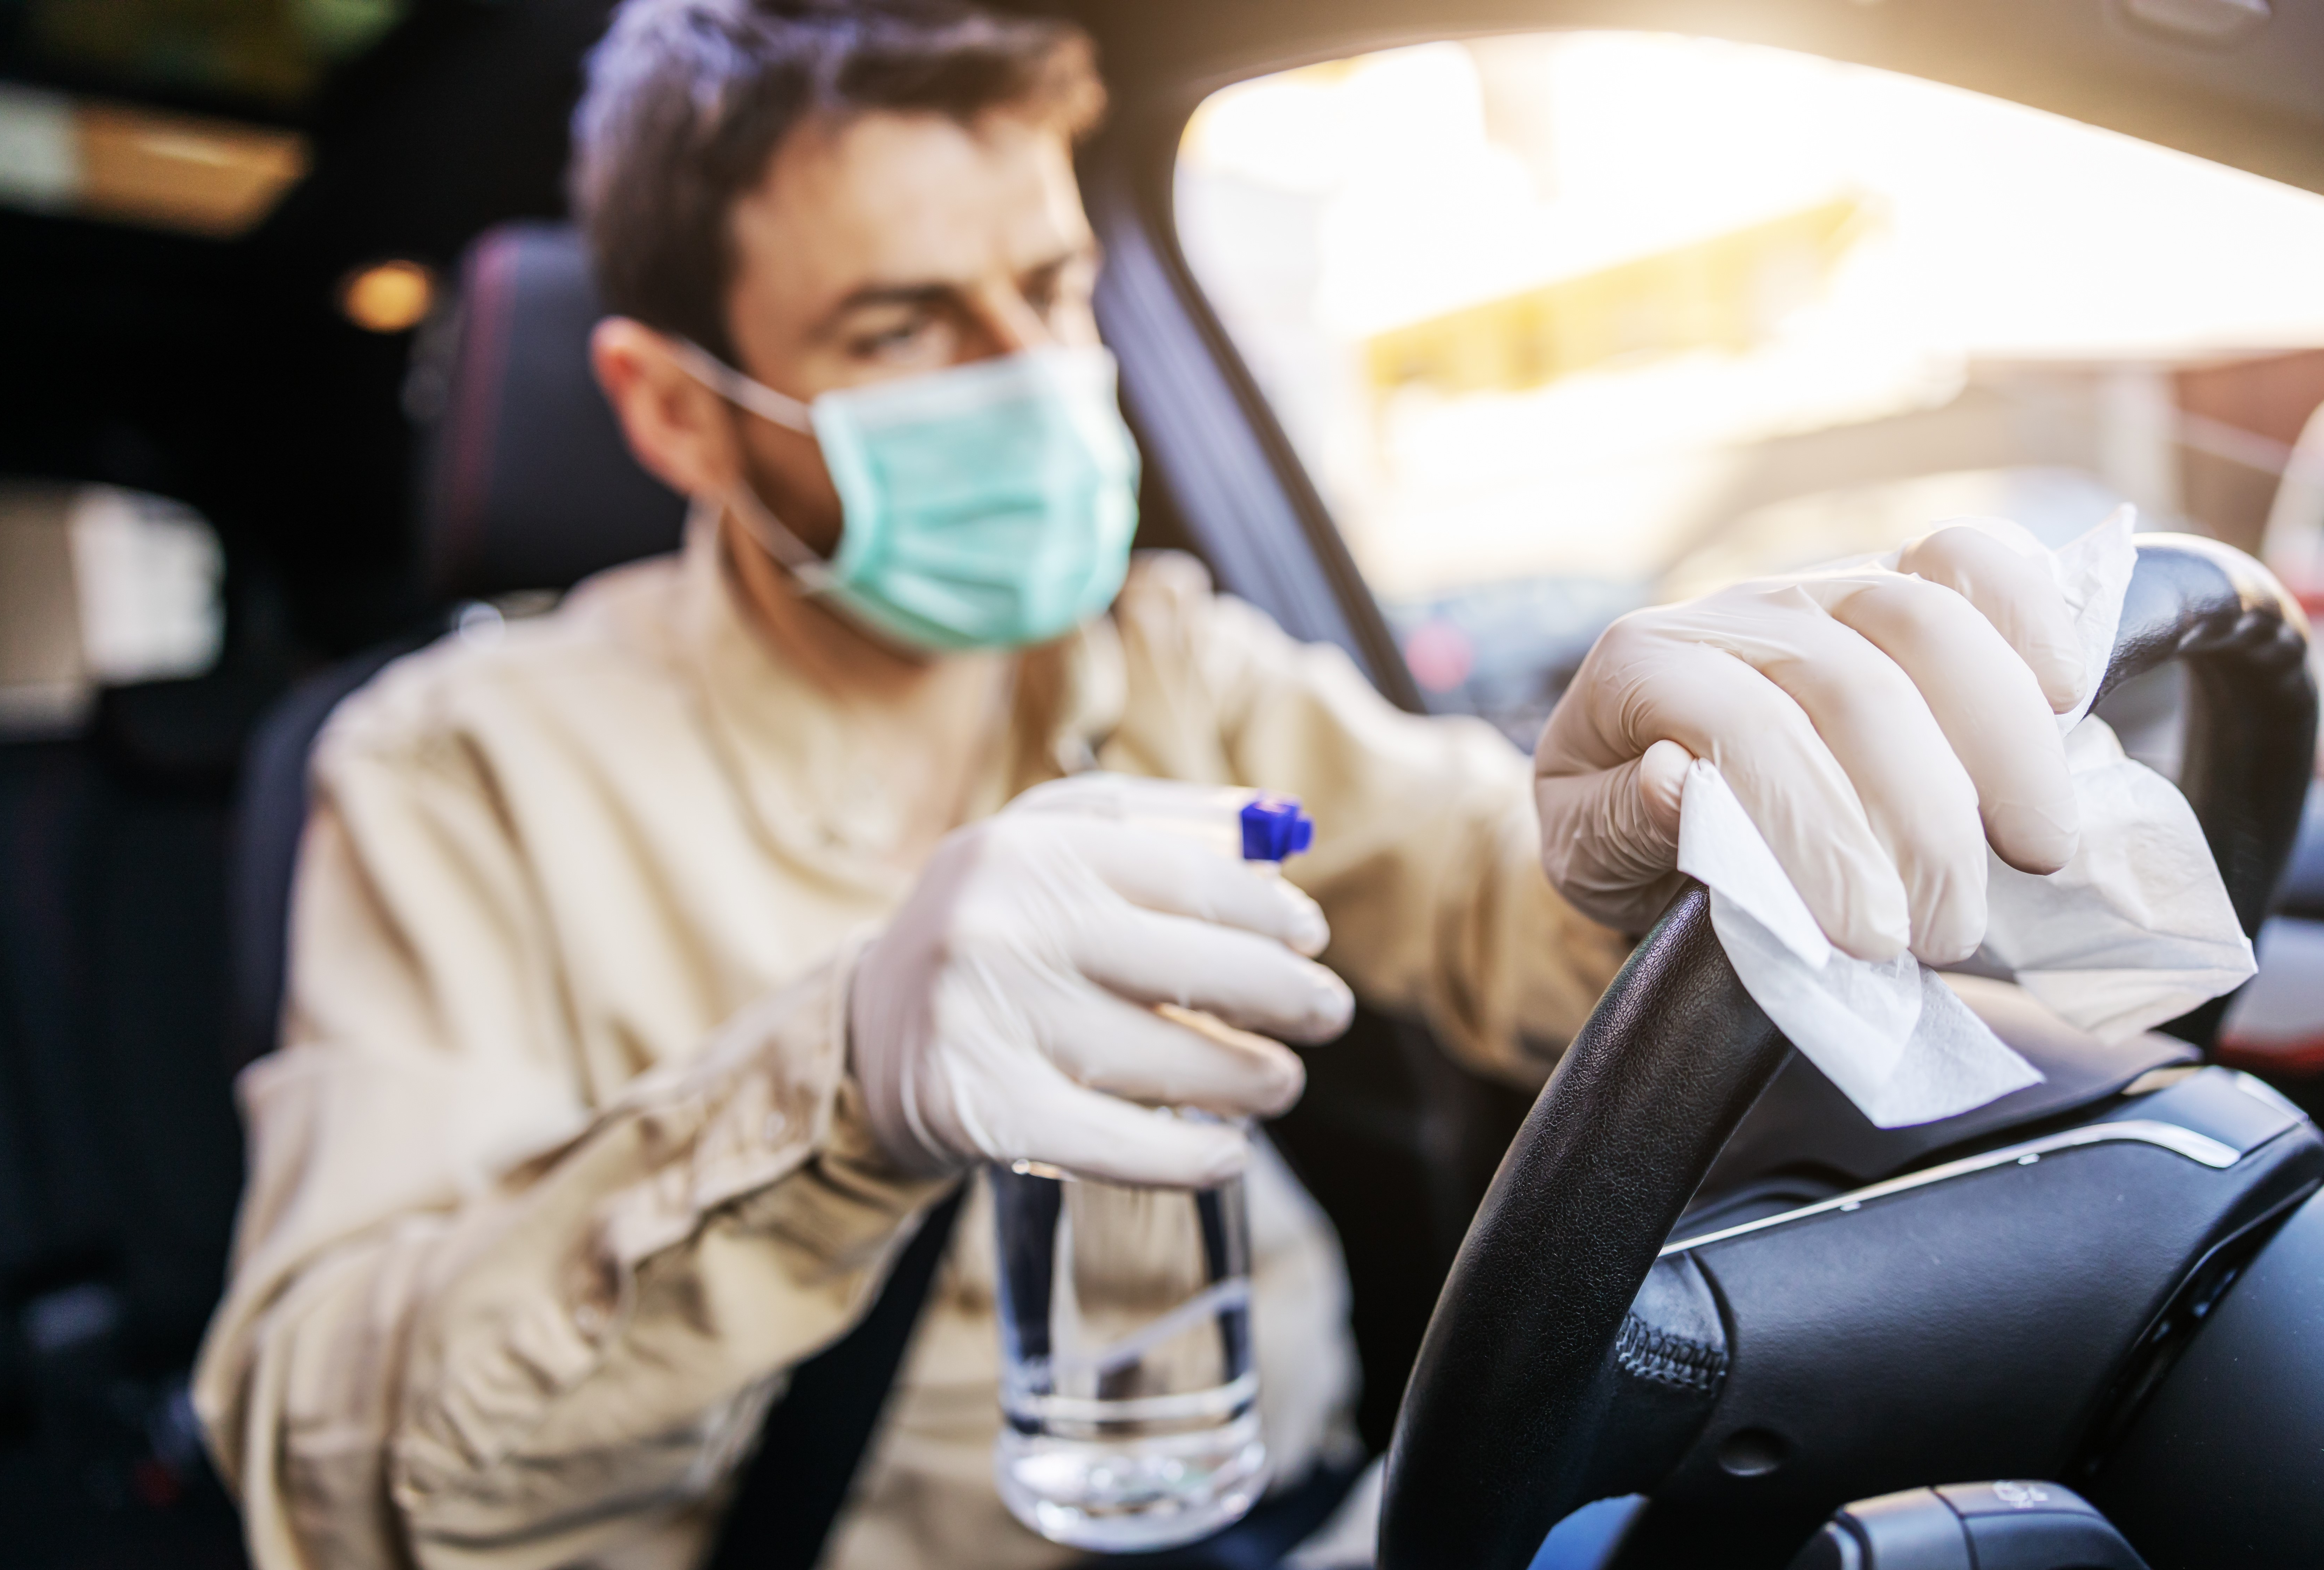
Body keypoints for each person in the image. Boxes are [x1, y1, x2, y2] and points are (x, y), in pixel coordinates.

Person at [192, 2, 2093, 1566]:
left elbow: (1487, 883)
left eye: (1049, 287)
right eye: (905, 328)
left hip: (1334, 1521)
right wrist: (839, 1088)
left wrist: (1682, 820)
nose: (1034, 382)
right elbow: (334, 1477)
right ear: (679, 409)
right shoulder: (457, 772)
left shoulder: (1160, 661)